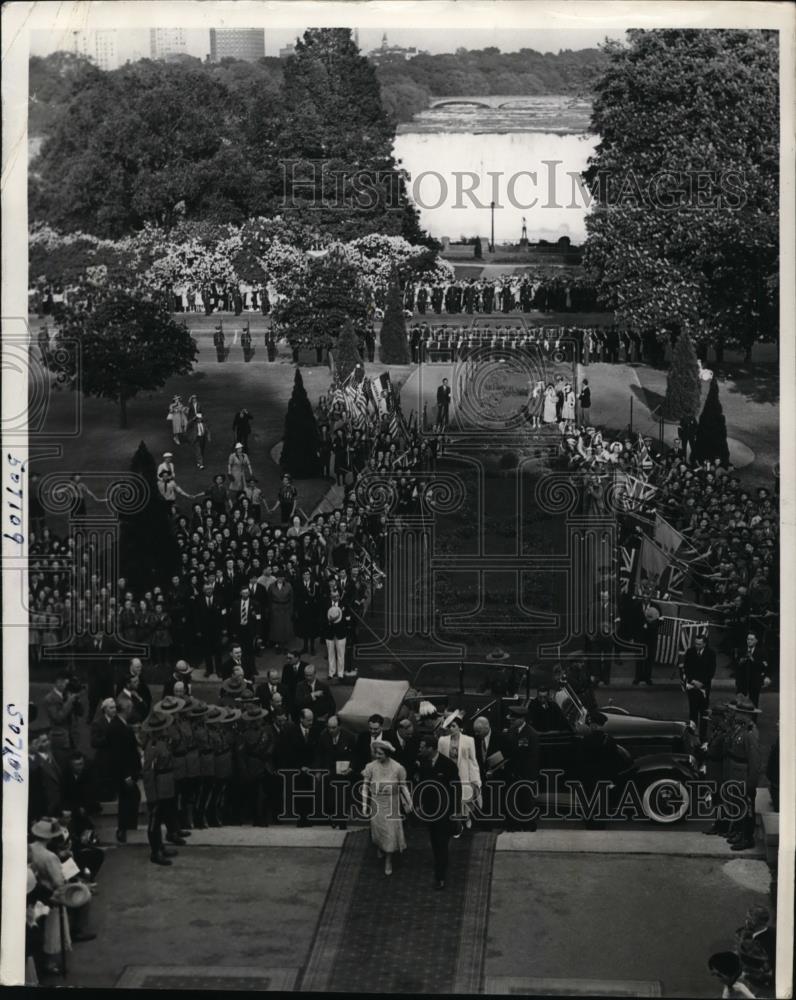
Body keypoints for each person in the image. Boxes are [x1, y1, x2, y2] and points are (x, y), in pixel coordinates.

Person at [412, 733, 460, 889]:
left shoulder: (448, 765)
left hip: (445, 812)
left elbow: (455, 790)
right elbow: (420, 786)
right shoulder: (423, 764)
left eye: (422, 747)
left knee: (441, 842)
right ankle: (440, 864)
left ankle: (440, 876)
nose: (420, 750)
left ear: (431, 748)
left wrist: (455, 812)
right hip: (430, 812)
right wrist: (419, 804)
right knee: (434, 841)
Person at [362, 741, 412, 876]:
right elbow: (365, 787)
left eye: (380, 754)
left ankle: (388, 860)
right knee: (378, 829)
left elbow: (403, 786)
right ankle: (380, 846)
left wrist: (409, 801)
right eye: (376, 753)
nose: (377, 756)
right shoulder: (370, 767)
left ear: (387, 754)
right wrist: (364, 805)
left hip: (392, 804)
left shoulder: (397, 768)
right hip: (376, 803)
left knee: (390, 832)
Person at [106, 695, 142, 844]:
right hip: (124, 773)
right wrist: (126, 775)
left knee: (132, 797)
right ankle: (124, 829)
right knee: (128, 799)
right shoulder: (117, 727)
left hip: (126, 771)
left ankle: (128, 827)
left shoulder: (120, 725)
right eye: (131, 708)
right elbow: (118, 754)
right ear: (126, 709)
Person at [438, 712, 481, 832]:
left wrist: (475, 780)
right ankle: (455, 826)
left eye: (454, 726)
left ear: (459, 727)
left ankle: (466, 818)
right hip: (448, 775)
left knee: (464, 800)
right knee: (451, 800)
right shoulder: (442, 741)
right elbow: (439, 759)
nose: (451, 729)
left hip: (463, 774)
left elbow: (473, 761)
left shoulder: (469, 740)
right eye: (449, 726)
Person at [316, 715, 356, 829]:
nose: (331, 730)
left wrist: (351, 768)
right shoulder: (323, 736)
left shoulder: (349, 737)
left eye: (333, 728)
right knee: (330, 798)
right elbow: (319, 754)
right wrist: (318, 770)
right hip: (329, 772)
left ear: (339, 726)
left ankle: (342, 821)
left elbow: (354, 755)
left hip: (344, 773)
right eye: (329, 727)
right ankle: (333, 818)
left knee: (343, 796)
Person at [43, 673, 81, 768]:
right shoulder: (50, 698)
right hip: (59, 740)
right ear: (58, 682)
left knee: (73, 768)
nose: (66, 686)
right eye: (65, 683)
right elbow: (58, 718)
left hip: (72, 739)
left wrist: (76, 700)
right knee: (61, 767)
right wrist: (69, 701)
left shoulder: (68, 696)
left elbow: (81, 713)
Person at [735, 905, 776, 990]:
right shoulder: (746, 933)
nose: (746, 921)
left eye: (748, 918)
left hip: (761, 986)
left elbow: (767, 969)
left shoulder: (772, 938)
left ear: (755, 921)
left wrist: (746, 975)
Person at [681, 634, 717, 728]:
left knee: (704, 712)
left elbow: (711, 671)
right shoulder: (690, 652)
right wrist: (693, 681)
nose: (697, 646)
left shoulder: (711, 654)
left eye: (699, 644)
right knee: (693, 711)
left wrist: (702, 683)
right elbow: (686, 668)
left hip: (704, 686)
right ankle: (692, 735)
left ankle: (703, 737)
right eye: (696, 643)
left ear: (704, 644)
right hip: (692, 686)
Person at [734, 632, 770, 708]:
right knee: (740, 704)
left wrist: (753, 660)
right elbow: (736, 665)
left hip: (754, 682)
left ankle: (753, 720)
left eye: (751, 639)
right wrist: (740, 661)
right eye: (748, 639)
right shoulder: (742, 650)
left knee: (753, 704)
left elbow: (764, 666)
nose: (749, 641)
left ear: (756, 641)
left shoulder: (761, 651)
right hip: (742, 682)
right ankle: (741, 719)